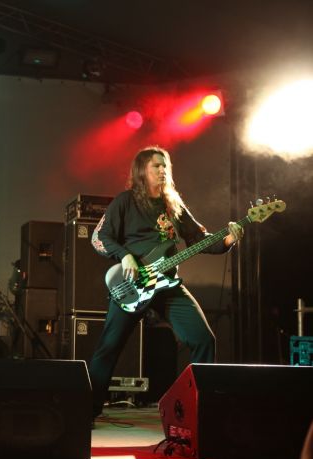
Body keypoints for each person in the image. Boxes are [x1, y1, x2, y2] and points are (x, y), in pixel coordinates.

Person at [89, 146, 243, 417]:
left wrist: (228, 240)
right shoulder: (125, 202)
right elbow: (99, 238)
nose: (162, 170)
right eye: (156, 166)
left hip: (167, 286)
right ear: (142, 171)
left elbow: (198, 240)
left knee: (203, 339)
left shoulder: (173, 205)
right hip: (132, 285)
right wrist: (125, 256)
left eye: (165, 166)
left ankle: (201, 411)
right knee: (108, 349)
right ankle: (87, 410)